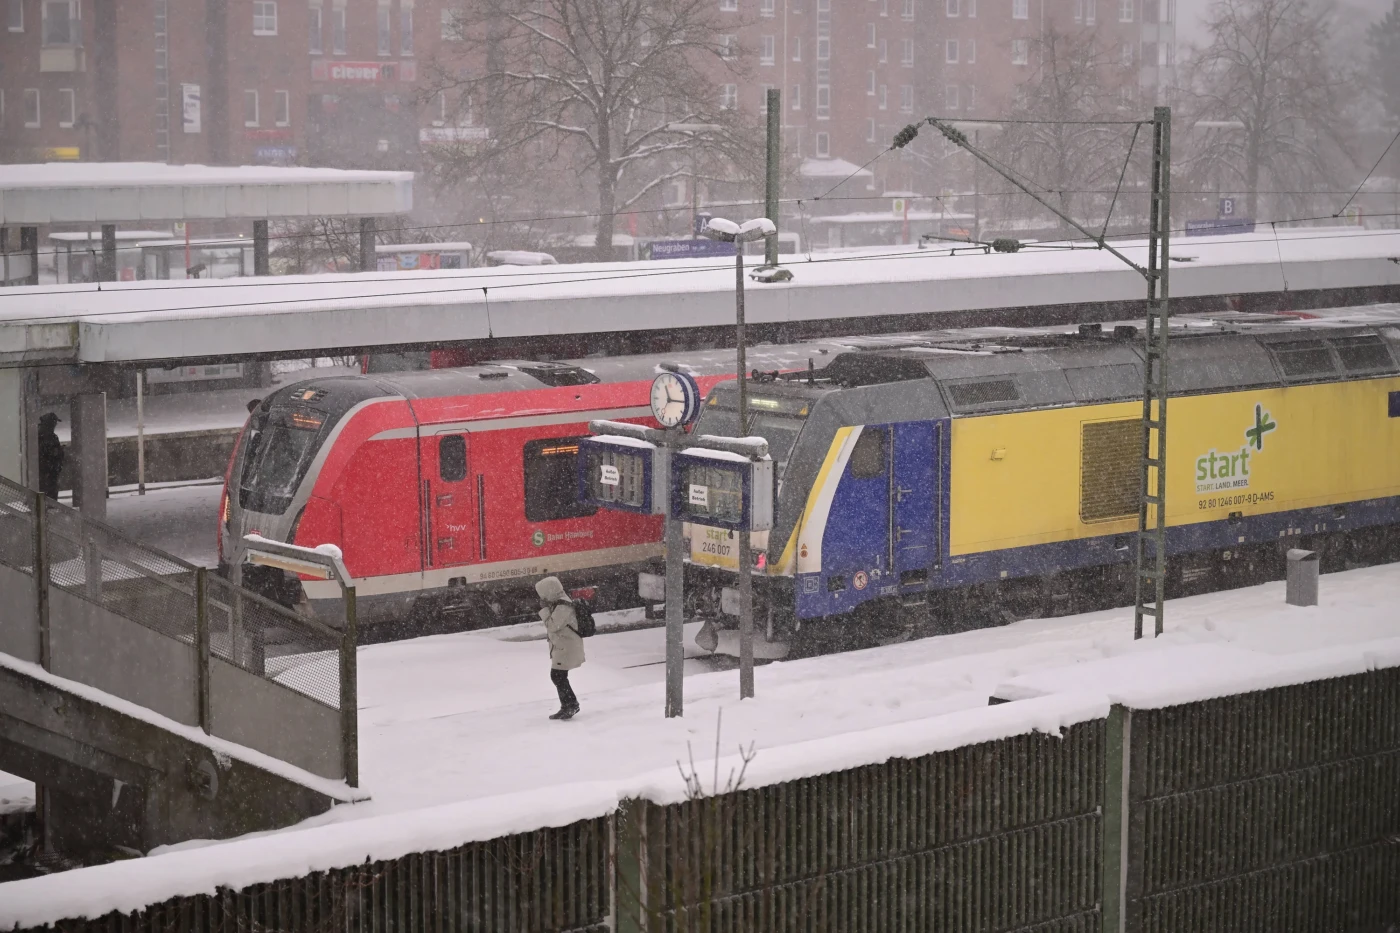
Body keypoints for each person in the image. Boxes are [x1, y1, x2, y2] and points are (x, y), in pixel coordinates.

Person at [536, 576, 584, 720]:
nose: (541, 598)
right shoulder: (559, 603)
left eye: (543, 594)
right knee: (559, 676)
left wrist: (544, 609)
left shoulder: (563, 606)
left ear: (549, 591)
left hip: (567, 646)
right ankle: (569, 705)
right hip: (563, 645)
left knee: (557, 675)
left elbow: (553, 626)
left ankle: (570, 705)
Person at [37, 413, 64, 501]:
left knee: (49, 496)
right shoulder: (43, 436)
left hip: (50, 472)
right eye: (54, 423)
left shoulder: (51, 436)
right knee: (47, 497)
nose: (55, 425)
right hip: (47, 473)